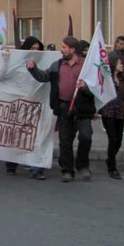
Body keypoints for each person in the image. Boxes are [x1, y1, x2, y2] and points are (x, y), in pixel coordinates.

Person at [26, 37, 95, 182]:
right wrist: (33, 69)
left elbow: (96, 85)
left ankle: (82, 165)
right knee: (65, 140)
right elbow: (44, 77)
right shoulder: (57, 65)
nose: (61, 50)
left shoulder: (86, 66)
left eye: (64, 47)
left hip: (82, 107)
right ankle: (67, 170)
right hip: (64, 106)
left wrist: (86, 86)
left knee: (86, 136)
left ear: (72, 49)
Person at [6, 36, 46, 180]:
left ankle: (36, 167)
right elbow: (5, 77)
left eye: (38, 49)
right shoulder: (17, 64)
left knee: (37, 136)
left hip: (36, 105)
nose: (35, 51)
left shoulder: (43, 63)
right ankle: (11, 164)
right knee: (17, 136)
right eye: (32, 48)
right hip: (19, 105)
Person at [100, 58, 124, 180]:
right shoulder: (107, 79)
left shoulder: (123, 80)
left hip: (119, 112)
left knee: (119, 141)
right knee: (113, 138)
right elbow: (100, 93)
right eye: (120, 63)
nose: (122, 65)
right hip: (108, 112)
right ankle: (112, 167)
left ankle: (109, 158)